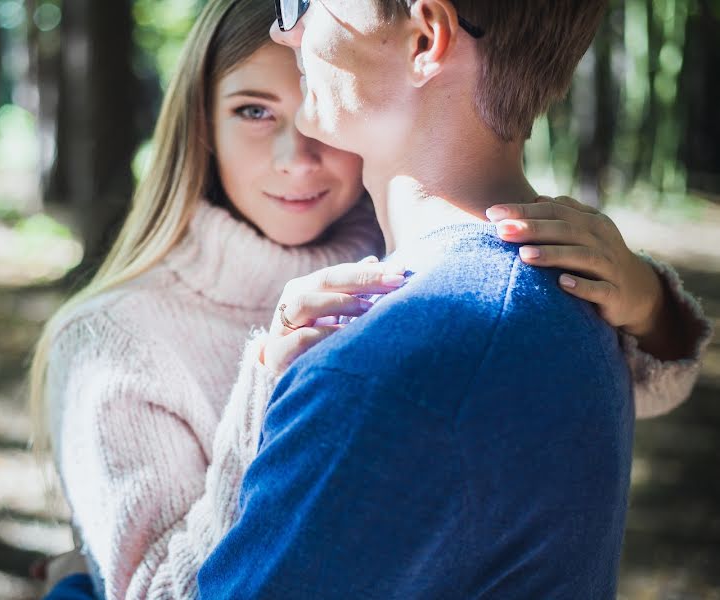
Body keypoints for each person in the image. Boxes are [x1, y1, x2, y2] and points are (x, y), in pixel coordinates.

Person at [35, 0, 712, 598]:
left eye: (310, 1)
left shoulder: (404, 311)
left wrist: (651, 306)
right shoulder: (118, 339)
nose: (290, 27)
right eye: (251, 110)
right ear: (200, 125)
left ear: (424, 41)